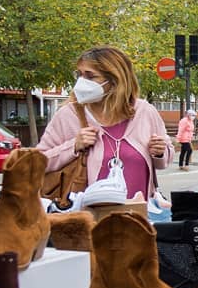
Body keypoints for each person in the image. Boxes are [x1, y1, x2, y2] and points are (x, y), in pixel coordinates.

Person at [38, 46, 171, 202]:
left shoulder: (145, 112)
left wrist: (160, 152)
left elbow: (164, 159)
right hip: (86, 215)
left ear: (114, 80)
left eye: (90, 76)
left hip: (138, 212)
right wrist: (73, 146)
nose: (82, 82)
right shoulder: (68, 115)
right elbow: (38, 162)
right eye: (79, 75)